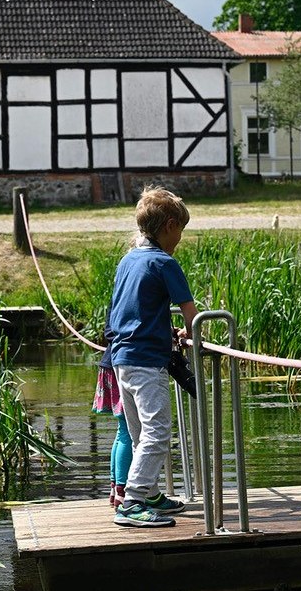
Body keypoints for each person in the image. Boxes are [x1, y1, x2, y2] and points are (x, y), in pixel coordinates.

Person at [108, 186, 198, 528]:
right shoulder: (165, 262)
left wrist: (165, 331)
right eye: (181, 232)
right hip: (147, 362)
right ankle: (132, 502)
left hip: (122, 357)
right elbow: (192, 316)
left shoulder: (128, 260)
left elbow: (131, 310)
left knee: (137, 432)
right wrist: (190, 334)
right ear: (170, 226)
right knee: (158, 431)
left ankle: (150, 494)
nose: (180, 239)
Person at [91, 321, 130, 508]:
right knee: (128, 431)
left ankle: (115, 488)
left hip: (110, 362)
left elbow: (109, 331)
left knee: (123, 429)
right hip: (119, 364)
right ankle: (122, 491)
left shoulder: (119, 294)